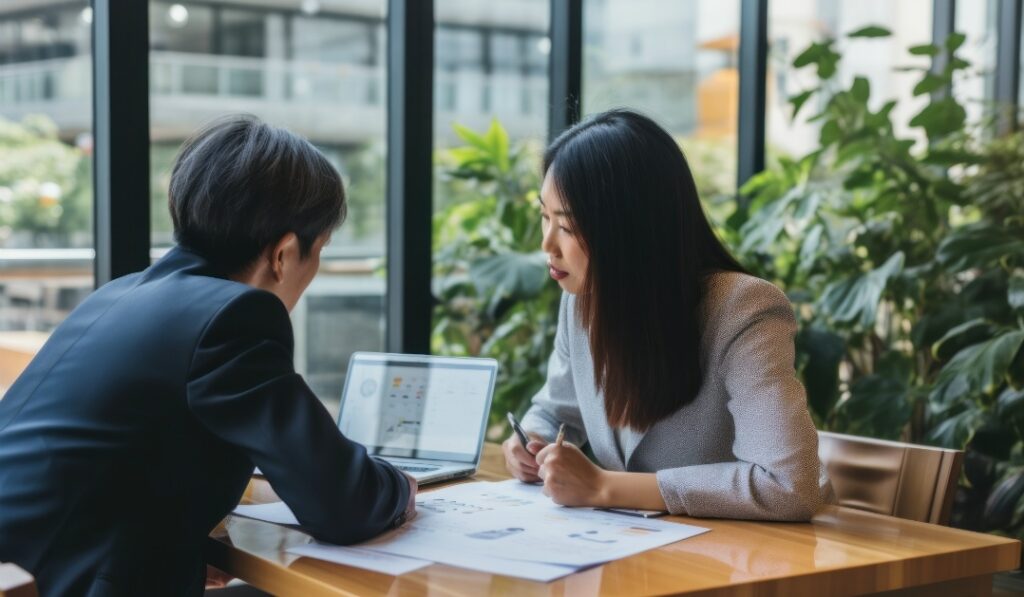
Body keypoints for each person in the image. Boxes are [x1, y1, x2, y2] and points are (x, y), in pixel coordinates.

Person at [0, 115, 416, 596]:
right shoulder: (235, 315)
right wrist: (403, 487)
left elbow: (108, 473)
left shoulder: (117, 295)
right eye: (318, 249)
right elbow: (343, 503)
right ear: (283, 254)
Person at [503, 109, 833, 521]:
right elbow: (555, 411)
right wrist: (530, 442)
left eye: (566, 227)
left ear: (627, 230)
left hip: (739, 559)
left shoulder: (742, 309)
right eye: (544, 216)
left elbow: (789, 486)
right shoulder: (583, 298)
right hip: (633, 552)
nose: (546, 244)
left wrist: (606, 487)